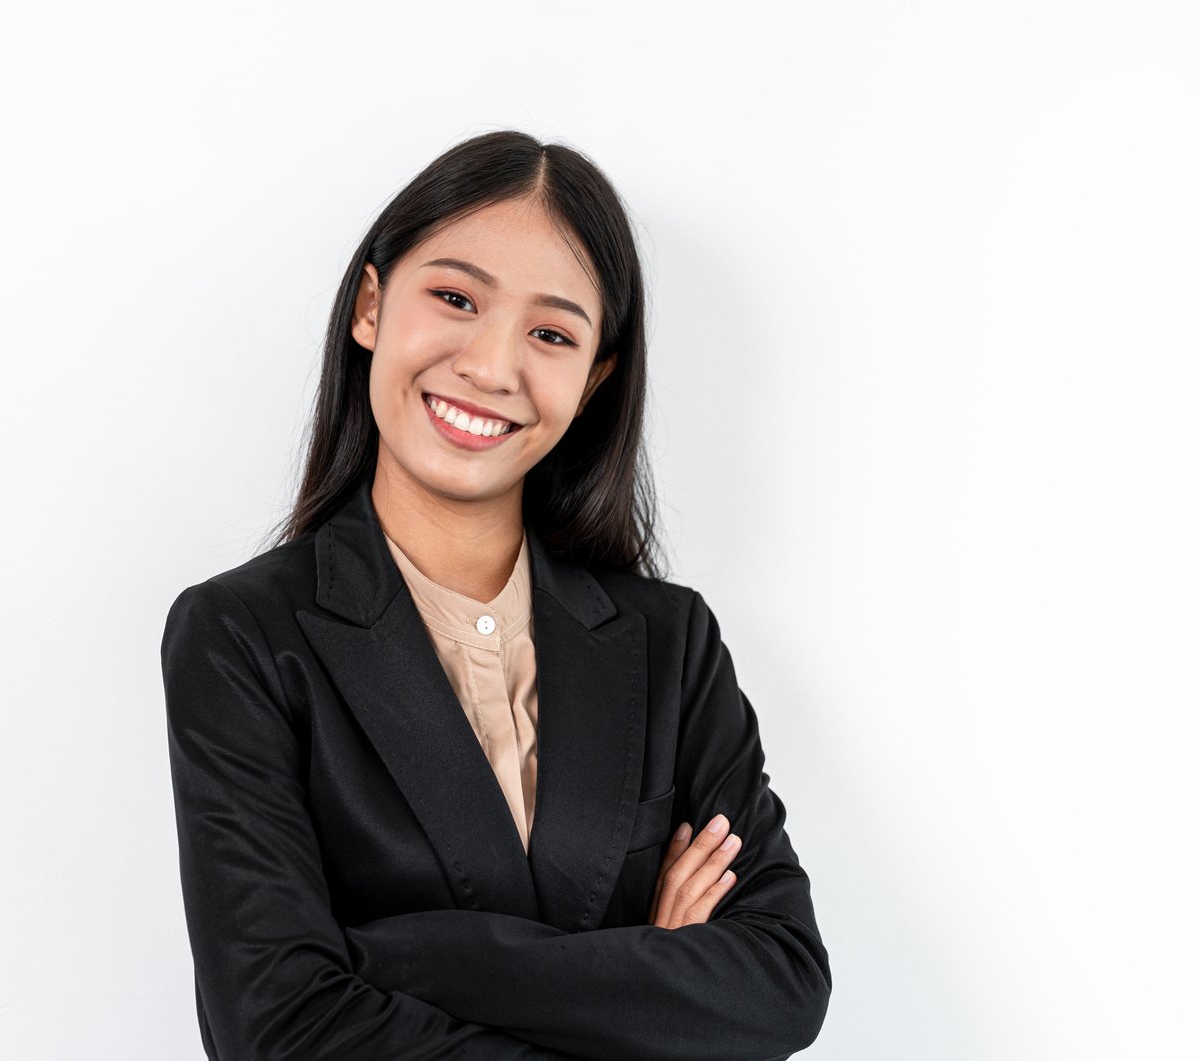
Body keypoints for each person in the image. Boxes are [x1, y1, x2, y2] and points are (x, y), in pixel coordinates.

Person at [159, 129, 832, 1060]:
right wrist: (641, 975)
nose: (490, 364)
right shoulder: (242, 635)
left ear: (594, 378)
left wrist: (401, 957)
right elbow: (279, 1025)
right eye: (454, 297)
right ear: (369, 304)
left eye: (550, 333)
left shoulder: (669, 642)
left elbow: (780, 982)